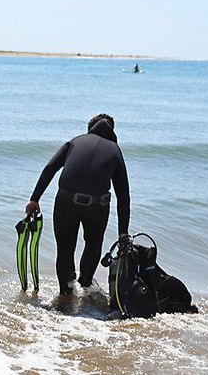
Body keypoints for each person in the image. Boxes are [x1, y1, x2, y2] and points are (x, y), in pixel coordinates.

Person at [25, 113, 130, 298]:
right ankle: (86, 287)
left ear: (89, 128)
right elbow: (123, 195)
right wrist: (123, 232)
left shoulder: (74, 142)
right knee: (93, 244)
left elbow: (50, 168)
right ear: (112, 131)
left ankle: (66, 295)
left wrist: (34, 199)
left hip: (66, 202)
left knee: (65, 249)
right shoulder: (115, 150)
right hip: (97, 206)